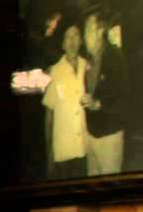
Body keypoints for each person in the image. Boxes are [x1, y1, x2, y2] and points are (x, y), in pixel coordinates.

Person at [81, 12, 130, 177]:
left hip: (109, 135)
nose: (84, 36)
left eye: (88, 30)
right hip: (91, 134)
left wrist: (98, 104)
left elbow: (123, 95)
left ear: (100, 32)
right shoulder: (90, 60)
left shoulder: (114, 56)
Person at [41, 18, 89, 177]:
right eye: (68, 36)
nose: (72, 41)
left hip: (84, 147)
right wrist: (49, 153)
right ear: (62, 44)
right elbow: (48, 116)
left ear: (81, 40)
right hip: (63, 150)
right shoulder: (54, 72)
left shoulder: (88, 67)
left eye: (76, 35)